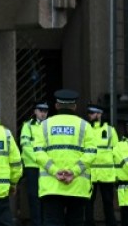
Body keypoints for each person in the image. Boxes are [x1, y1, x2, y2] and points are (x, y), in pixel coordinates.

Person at [34, 89, 97, 226]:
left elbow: (38, 153)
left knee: (52, 222)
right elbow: (91, 153)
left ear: (56, 106)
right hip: (77, 186)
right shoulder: (84, 126)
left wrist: (55, 171)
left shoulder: (44, 125)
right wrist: (73, 171)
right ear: (74, 107)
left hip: (51, 186)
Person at [84, 104, 118, 226]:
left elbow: (116, 152)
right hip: (90, 174)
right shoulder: (86, 129)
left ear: (99, 114)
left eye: (92, 113)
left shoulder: (110, 130)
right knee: (88, 202)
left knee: (108, 203)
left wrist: (117, 173)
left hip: (106, 174)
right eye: (89, 113)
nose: (90, 115)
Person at [20, 101, 49, 226]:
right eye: (40, 110)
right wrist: (39, 159)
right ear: (35, 111)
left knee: (46, 196)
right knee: (33, 197)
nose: (43, 113)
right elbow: (26, 146)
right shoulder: (28, 126)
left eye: (45, 111)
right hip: (32, 166)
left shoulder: (50, 126)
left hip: (46, 167)